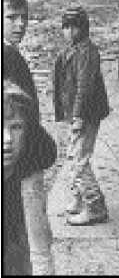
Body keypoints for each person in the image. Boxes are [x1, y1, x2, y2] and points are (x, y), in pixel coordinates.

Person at [3, 0, 57, 275]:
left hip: (17, 165)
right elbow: (24, 118)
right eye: (11, 17)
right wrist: (47, 150)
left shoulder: (11, 53)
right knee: (36, 244)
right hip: (24, 167)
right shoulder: (8, 56)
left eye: (24, 18)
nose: (20, 24)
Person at [53, 6, 110, 226]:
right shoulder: (75, 49)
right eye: (65, 27)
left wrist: (77, 116)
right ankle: (78, 197)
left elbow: (84, 87)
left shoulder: (87, 52)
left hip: (86, 113)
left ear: (83, 28)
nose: (67, 32)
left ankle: (94, 206)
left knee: (79, 160)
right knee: (73, 154)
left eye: (72, 27)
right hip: (78, 112)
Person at [3, 80, 57, 275]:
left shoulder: (30, 171)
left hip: (20, 231)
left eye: (16, 127)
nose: (7, 140)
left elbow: (40, 251)